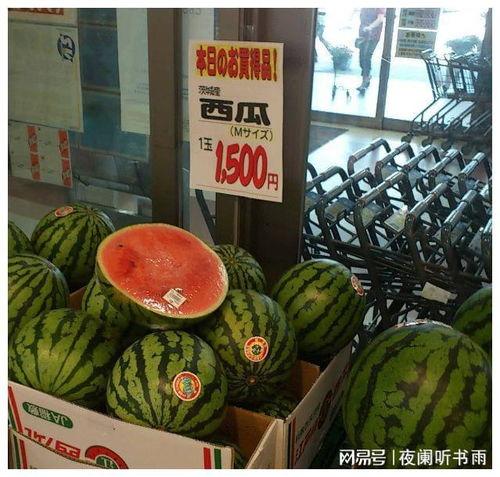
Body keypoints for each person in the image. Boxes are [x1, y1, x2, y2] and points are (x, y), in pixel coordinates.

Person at [357, 8, 386, 92]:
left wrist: (370, 27)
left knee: (366, 56)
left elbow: (380, 19)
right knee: (361, 57)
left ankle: (365, 81)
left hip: (373, 35)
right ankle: (367, 77)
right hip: (363, 34)